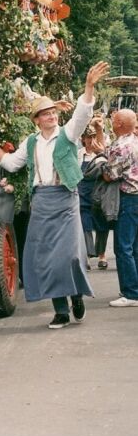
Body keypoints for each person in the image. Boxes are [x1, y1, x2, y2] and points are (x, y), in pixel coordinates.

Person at [0, 61, 110, 329]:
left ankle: (76, 295)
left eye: (53, 112)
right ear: (37, 119)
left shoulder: (69, 135)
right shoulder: (31, 142)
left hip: (66, 199)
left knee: (70, 255)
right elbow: (11, 163)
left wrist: (88, 86)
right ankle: (60, 310)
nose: (51, 116)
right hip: (42, 202)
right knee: (48, 259)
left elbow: (82, 115)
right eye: (45, 113)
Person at [101, 108, 138, 307]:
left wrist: (102, 168)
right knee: (135, 247)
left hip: (128, 197)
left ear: (119, 125)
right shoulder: (135, 140)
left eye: (114, 120)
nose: (112, 122)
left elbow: (109, 175)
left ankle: (131, 293)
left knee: (123, 247)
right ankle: (135, 288)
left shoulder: (121, 146)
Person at [78, 122, 110, 269]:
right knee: (85, 226)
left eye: (92, 137)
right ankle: (87, 256)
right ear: (83, 139)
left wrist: (99, 130)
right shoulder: (78, 154)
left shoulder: (102, 152)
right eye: (87, 137)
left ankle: (102, 255)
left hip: (100, 193)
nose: (90, 140)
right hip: (83, 194)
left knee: (102, 225)